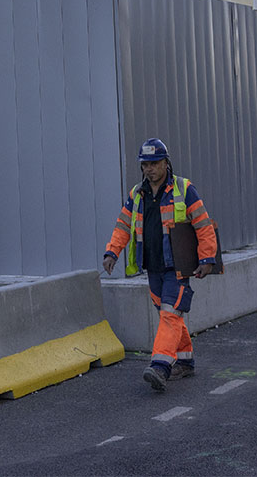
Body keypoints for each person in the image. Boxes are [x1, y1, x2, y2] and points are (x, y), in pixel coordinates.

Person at [102, 138, 217, 393]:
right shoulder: (137, 194)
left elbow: (203, 224)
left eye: (154, 163)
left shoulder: (183, 189)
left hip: (178, 267)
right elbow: (123, 226)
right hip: (152, 266)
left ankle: (160, 366)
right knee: (171, 315)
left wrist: (207, 258)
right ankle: (185, 361)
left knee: (169, 313)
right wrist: (112, 252)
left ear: (166, 162)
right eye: (145, 164)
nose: (149, 169)